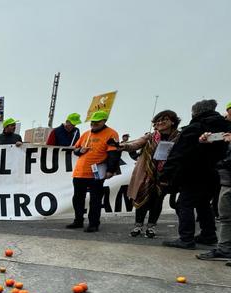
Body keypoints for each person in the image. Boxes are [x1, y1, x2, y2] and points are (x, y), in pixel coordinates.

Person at [160, 99, 231, 249]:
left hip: (194, 173)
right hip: (216, 173)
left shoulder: (194, 128)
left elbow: (178, 153)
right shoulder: (225, 126)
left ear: (196, 112)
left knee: (183, 204)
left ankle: (186, 238)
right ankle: (208, 234)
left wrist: (165, 175)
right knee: (203, 203)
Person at [118, 110, 181, 238]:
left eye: (164, 119)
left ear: (173, 121)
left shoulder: (179, 137)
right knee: (141, 198)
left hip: (165, 174)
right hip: (147, 173)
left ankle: (151, 226)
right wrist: (122, 146)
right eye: (158, 121)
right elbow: (134, 144)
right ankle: (138, 226)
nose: (161, 122)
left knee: (157, 200)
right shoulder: (150, 137)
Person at [67, 111, 121, 232]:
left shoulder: (111, 134)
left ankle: (93, 223)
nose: (94, 124)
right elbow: (75, 150)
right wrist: (80, 151)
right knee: (77, 198)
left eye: (97, 122)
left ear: (104, 121)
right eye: (92, 122)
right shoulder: (86, 134)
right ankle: (78, 220)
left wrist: (111, 170)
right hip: (80, 172)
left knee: (95, 199)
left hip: (96, 173)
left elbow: (114, 154)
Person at [196, 131, 231, 262]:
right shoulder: (226, 129)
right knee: (225, 218)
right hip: (226, 181)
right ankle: (224, 249)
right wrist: (206, 143)